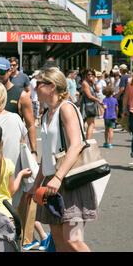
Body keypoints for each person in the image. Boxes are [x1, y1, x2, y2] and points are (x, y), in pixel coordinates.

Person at [28, 67, 98, 252]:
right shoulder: (46, 114)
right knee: (59, 242)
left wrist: (58, 177)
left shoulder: (66, 108)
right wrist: (37, 184)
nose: (34, 89)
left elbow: (76, 145)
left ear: (51, 86)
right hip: (51, 183)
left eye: (38, 85)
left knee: (73, 241)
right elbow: (48, 154)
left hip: (69, 182)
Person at [79, 68, 102, 140]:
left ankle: (85, 140)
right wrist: (98, 100)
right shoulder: (85, 83)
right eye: (89, 74)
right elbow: (89, 95)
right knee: (90, 124)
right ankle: (87, 141)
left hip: (92, 104)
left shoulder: (92, 83)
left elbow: (98, 91)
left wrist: (94, 83)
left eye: (92, 74)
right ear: (86, 75)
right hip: (87, 105)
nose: (90, 76)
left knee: (89, 124)